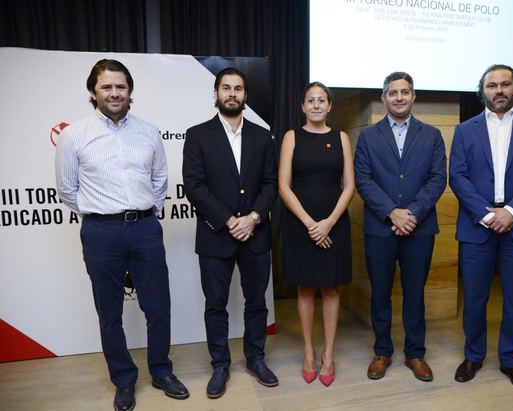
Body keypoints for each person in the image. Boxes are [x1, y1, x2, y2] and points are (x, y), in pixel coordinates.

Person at [55, 59, 188, 411]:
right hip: (101, 231)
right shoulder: (74, 135)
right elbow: (68, 190)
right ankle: (124, 380)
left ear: (130, 92)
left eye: (121, 87)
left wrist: (144, 213)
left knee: (158, 307)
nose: (114, 93)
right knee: (109, 312)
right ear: (93, 92)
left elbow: (160, 182)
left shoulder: (149, 132)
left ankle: (161, 372)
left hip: (145, 228)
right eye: (106, 87)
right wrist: (101, 216)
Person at [449, 64, 513, 393]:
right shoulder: (465, 130)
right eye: (492, 85)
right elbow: (459, 176)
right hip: (477, 226)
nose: (499, 90)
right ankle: (473, 356)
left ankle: (511, 360)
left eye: (505, 84)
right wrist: (486, 215)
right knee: (475, 299)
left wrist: (511, 212)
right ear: (482, 91)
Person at [182, 67, 278, 399]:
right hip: (215, 236)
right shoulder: (197, 135)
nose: (232, 94)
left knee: (257, 303)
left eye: (238, 89)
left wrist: (252, 217)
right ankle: (220, 365)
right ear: (216, 93)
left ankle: (256, 359)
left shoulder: (262, 135)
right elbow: (194, 186)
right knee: (216, 304)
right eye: (226, 88)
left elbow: (270, 184)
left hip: (256, 234)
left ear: (246, 96)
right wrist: (228, 220)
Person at [354, 72, 447, 382]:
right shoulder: (368, 136)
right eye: (392, 93)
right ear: (384, 98)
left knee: (415, 293)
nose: (398, 97)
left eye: (404, 92)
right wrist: (392, 212)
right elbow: (363, 179)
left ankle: (415, 354)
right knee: (380, 292)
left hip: (419, 230)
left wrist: (412, 214)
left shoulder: (432, 134)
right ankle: (382, 351)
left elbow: (437, 179)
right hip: (380, 228)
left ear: (413, 96)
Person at [278, 82, 355, 387]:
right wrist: (311, 224)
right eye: (310, 100)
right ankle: (309, 352)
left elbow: (349, 185)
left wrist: (328, 223)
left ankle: (329, 353)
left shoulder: (342, 138)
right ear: (303, 106)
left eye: (321, 100)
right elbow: (284, 186)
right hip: (300, 221)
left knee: (332, 289)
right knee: (306, 288)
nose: (316, 105)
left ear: (329, 106)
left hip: (334, 220)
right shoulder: (291, 137)